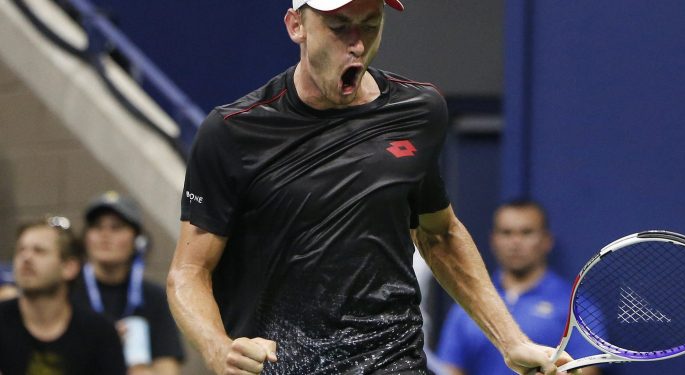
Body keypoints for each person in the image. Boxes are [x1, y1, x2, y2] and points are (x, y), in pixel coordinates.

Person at [167, 1, 577, 374]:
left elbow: (440, 234)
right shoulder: (232, 131)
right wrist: (218, 348)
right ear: (297, 26)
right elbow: (188, 272)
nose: (357, 45)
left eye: (370, 25)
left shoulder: (418, 111)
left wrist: (512, 341)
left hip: (392, 362)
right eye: (339, 26)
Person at [437, 199, 602, 375]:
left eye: (526, 232)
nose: (515, 242)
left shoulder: (576, 306)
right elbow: (450, 369)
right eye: (506, 233)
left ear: (546, 240)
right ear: (494, 240)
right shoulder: (467, 306)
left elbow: (588, 371)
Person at [70, 191, 185, 375]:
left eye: (116, 227)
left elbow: (168, 369)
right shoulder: (67, 291)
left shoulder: (153, 297)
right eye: (97, 227)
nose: (105, 235)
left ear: (138, 241)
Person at [0, 216, 126, 374]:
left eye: (39, 251)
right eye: (20, 250)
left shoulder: (99, 333)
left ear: (69, 267)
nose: (26, 258)